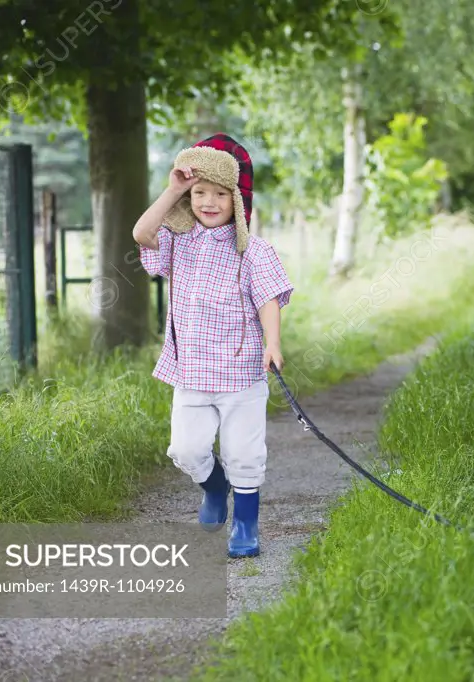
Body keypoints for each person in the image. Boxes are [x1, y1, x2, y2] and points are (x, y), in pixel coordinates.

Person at [132, 133, 293, 559]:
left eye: (220, 194)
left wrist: (272, 343)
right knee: (186, 450)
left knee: (244, 452)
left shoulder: (253, 252)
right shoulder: (178, 242)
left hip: (241, 376)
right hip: (192, 375)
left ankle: (245, 524)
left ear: (237, 201)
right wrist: (174, 189)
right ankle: (215, 487)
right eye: (200, 192)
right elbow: (142, 232)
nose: (208, 202)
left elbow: (269, 298)